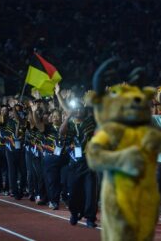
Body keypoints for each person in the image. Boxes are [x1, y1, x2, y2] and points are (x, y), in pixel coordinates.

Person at [59, 98, 98, 228]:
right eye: (76, 109)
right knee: (74, 191)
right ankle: (74, 213)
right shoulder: (70, 124)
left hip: (89, 162)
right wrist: (67, 117)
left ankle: (90, 218)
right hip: (74, 163)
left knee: (90, 191)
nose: (78, 110)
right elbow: (61, 132)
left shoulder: (90, 122)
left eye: (81, 109)